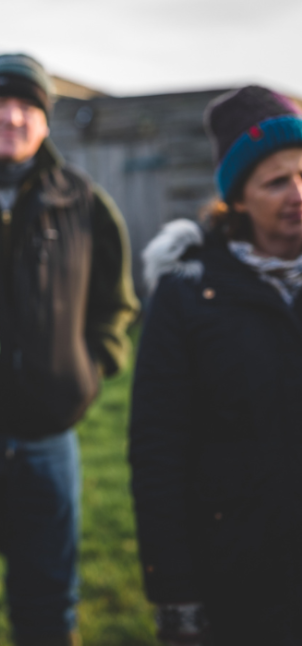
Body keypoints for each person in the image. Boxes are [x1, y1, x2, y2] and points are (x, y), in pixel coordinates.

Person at [0, 54, 139, 646]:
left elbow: (117, 301)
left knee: (50, 603)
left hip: (49, 434)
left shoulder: (82, 200)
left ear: (45, 121)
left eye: (27, 106)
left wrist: (90, 368)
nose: (12, 117)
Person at [131, 85, 302, 646]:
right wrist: (175, 593)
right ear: (238, 198)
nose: (298, 193)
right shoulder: (188, 295)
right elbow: (158, 449)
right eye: (276, 181)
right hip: (241, 571)